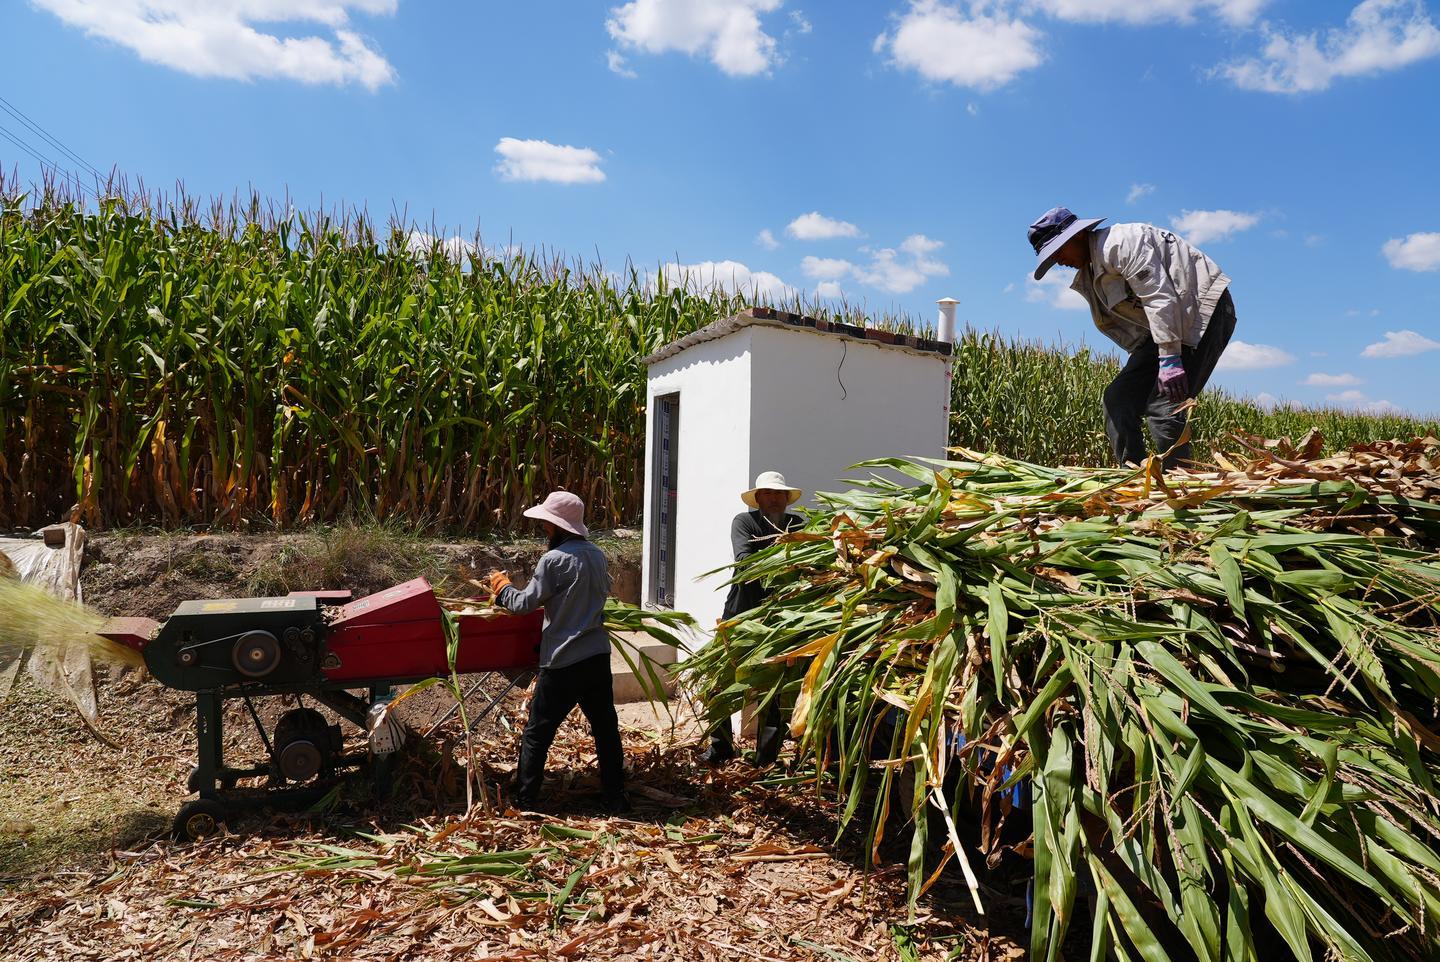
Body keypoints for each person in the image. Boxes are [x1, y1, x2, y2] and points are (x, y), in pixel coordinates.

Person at [1027, 207, 1237, 469]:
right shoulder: (1091, 273)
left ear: (1077, 237)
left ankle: (1182, 485)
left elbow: (1159, 297)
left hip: (1201, 314)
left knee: (1164, 408)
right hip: (1165, 328)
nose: (1059, 261)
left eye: (1058, 252)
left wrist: (1170, 358)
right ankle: (1135, 474)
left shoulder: (1120, 244)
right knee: (1118, 398)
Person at [486, 490, 625, 812]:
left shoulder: (554, 560)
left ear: (559, 526)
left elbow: (522, 605)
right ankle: (616, 797)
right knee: (606, 730)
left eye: (547, 525)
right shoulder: (597, 555)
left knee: (537, 733)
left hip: (563, 659)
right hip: (597, 656)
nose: (545, 530)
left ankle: (525, 801)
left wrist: (501, 587)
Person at [700, 470, 805, 766]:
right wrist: (786, 556)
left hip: (779, 619)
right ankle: (721, 746)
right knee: (719, 683)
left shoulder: (798, 524)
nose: (774, 499)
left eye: (779, 494)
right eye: (768, 494)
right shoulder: (745, 522)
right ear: (758, 499)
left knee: (772, 691)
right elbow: (744, 560)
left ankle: (765, 759)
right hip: (740, 615)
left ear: (787, 499)